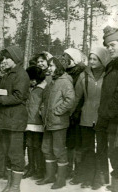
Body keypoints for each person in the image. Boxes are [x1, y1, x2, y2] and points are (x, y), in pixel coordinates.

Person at [0, 45, 30, 192]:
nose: (5, 61)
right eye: (4, 58)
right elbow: (1, 94)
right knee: (8, 153)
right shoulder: (7, 74)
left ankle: (15, 187)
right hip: (4, 120)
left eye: (8, 58)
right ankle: (9, 185)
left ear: (15, 58)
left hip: (15, 120)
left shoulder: (21, 74)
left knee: (15, 155)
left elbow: (18, 97)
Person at [72, 47, 111, 189]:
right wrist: (72, 113)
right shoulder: (84, 76)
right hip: (87, 117)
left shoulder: (108, 75)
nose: (92, 62)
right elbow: (76, 97)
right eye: (90, 59)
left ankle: (100, 178)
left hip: (103, 117)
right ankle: (88, 177)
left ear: (102, 60)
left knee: (101, 149)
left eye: (95, 59)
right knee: (87, 149)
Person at [36, 57, 75, 189]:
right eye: (49, 66)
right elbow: (45, 99)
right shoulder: (52, 81)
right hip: (48, 122)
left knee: (59, 150)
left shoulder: (65, 81)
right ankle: (50, 176)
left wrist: (57, 111)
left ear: (59, 67)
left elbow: (70, 100)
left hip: (58, 123)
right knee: (46, 149)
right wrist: (42, 109)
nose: (49, 68)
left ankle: (61, 179)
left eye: (52, 66)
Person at [95, 26, 118, 192]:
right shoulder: (112, 66)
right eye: (108, 46)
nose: (110, 48)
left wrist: (110, 113)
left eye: (113, 44)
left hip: (115, 118)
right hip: (110, 119)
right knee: (114, 154)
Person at [61, 48, 87, 181]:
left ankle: (78, 171)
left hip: (79, 113)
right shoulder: (66, 73)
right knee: (69, 144)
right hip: (68, 113)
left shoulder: (82, 73)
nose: (65, 60)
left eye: (67, 58)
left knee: (78, 144)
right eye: (64, 58)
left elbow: (81, 96)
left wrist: (76, 112)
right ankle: (68, 169)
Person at [23, 66, 46, 180]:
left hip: (38, 122)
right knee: (29, 145)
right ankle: (31, 168)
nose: (30, 81)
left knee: (37, 146)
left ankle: (40, 169)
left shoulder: (43, 89)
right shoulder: (31, 88)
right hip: (28, 121)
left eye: (31, 79)